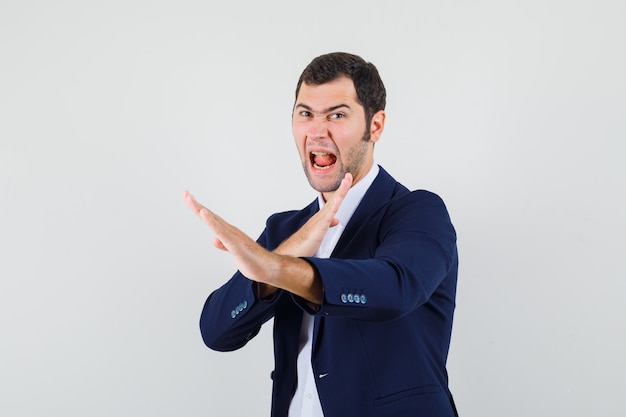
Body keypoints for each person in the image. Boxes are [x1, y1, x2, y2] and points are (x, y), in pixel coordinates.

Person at [184, 52, 459, 417]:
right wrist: (280, 260)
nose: (317, 130)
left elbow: (394, 289)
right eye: (305, 114)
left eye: (337, 115)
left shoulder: (418, 212)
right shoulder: (285, 230)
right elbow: (216, 332)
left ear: (375, 126)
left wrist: (279, 269)